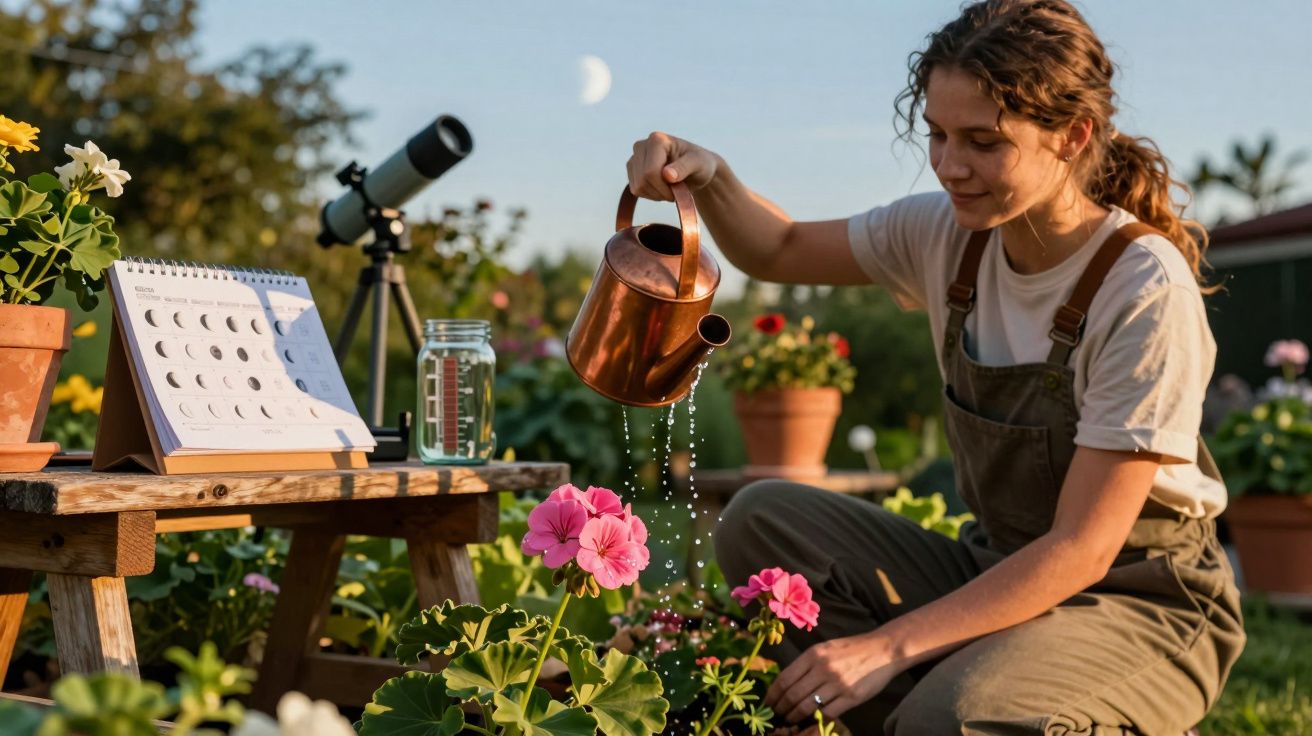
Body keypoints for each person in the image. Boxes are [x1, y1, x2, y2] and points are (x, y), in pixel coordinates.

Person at [625, 1, 1244, 733]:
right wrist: (709, 176)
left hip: (1141, 600)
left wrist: (887, 646)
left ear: (1073, 136)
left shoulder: (1142, 287)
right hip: (998, 570)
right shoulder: (947, 236)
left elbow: (1083, 547)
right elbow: (779, 248)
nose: (950, 166)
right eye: (938, 134)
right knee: (762, 521)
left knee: (950, 716)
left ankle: (1029, 709)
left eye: (984, 141)